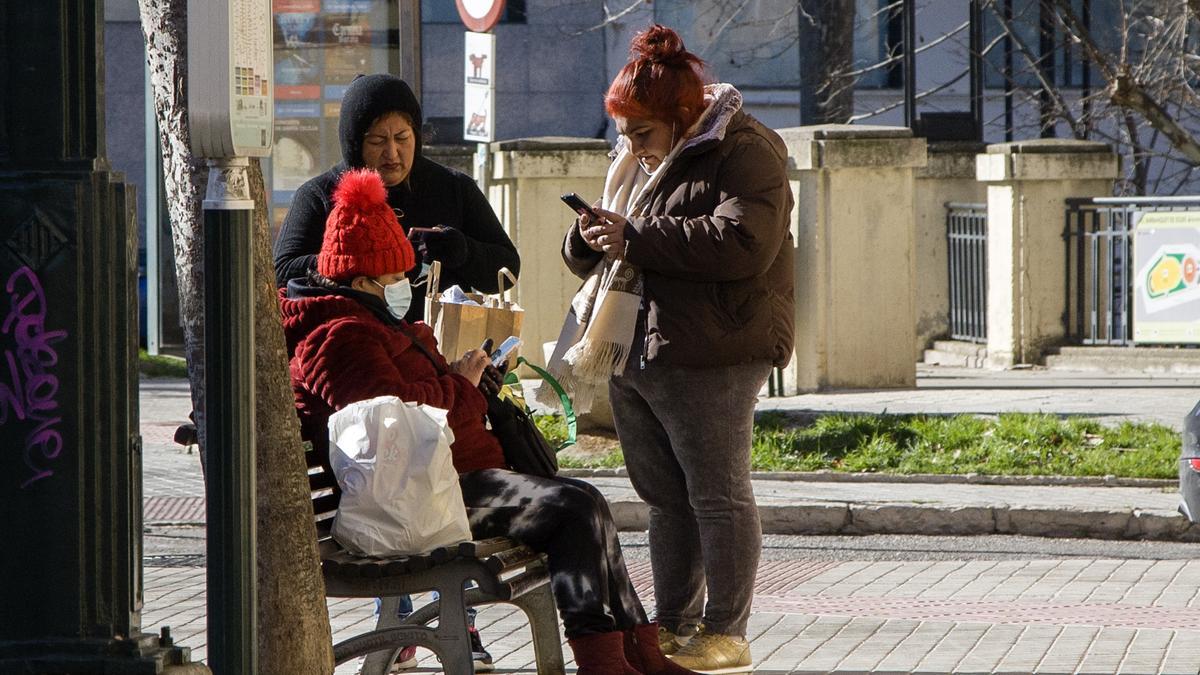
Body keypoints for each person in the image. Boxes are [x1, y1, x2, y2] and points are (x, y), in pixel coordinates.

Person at [280, 167, 700, 675]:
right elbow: (393, 422)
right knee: (571, 508)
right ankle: (602, 660)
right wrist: (460, 383)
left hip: (447, 481)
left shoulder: (374, 324)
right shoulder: (340, 337)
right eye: (395, 278)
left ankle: (640, 652)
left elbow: (424, 401)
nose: (403, 287)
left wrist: (472, 382)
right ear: (364, 279)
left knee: (583, 500)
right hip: (420, 493)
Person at [553, 24, 794, 673]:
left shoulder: (745, 149)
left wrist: (634, 234)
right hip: (639, 345)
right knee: (666, 499)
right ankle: (675, 620)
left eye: (641, 133)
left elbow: (744, 243)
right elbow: (619, 241)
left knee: (718, 493)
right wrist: (587, 238)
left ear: (683, 116)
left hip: (716, 346)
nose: (629, 146)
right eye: (624, 132)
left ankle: (727, 628)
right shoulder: (639, 159)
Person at [273, 73, 519, 322]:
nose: (392, 153)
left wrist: (463, 251)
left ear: (416, 136)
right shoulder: (318, 195)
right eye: (378, 141)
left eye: (402, 138)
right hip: (355, 343)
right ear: (355, 144)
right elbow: (281, 271)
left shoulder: (453, 187)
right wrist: (356, 259)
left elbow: (508, 270)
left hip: (441, 349)